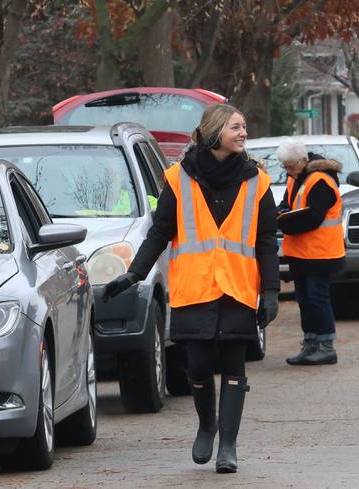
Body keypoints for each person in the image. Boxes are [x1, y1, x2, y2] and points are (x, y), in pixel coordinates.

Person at [101, 104, 279, 473]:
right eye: (236, 127)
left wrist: (272, 291)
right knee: (196, 365)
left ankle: (228, 445)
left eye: (245, 126)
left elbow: (265, 241)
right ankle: (207, 426)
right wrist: (134, 274)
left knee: (233, 363)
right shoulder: (178, 178)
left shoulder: (257, 181)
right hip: (194, 288)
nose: (244, 133)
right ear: (215, 132)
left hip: (237, 288)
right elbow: (160, 232)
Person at [276, 138, 345, 366]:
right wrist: (281, 214)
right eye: (285, 166)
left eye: (291, 165)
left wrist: (284, 223)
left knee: (317, 299)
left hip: (321, 253)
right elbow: (287, 204)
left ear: (304, 160)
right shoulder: (296, 177)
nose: (288, 170)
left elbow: (314, 217)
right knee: (305, 300)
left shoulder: (320, 180)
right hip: (302, 253)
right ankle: (311, 343)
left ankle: (326, 346)